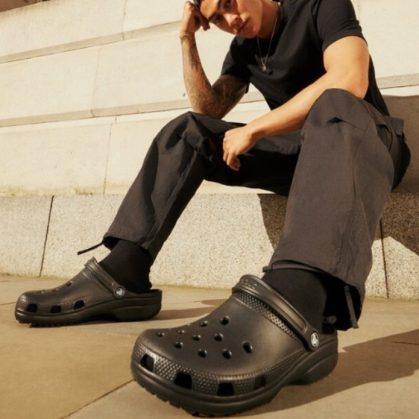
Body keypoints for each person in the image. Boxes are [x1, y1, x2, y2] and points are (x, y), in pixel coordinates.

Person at [15, 0, 410, 415]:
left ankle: (303, 301)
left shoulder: (318, 5)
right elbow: (208, 110)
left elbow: (349, 79)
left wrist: (256, 128)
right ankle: (123, 273)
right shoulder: (244, 49)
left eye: (228, 3)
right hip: (301, 154)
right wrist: (186, 38)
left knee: (335, 103)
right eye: (216, 19)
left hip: (365, 141)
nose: (231, 20)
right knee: (187, 131)